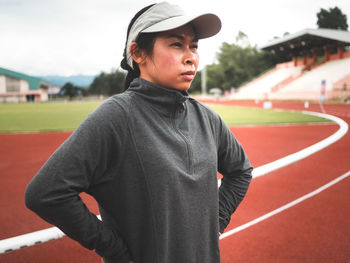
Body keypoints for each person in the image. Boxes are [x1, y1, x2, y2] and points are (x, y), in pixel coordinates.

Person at [25, 2, 253, 263]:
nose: (190, 56)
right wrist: (115, 249)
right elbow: (45, 193)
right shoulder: (116, 116)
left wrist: (215, 222)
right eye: (176, 44)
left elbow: (241, 170)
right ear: (138, 53)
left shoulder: (207, 119)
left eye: (194, 46)